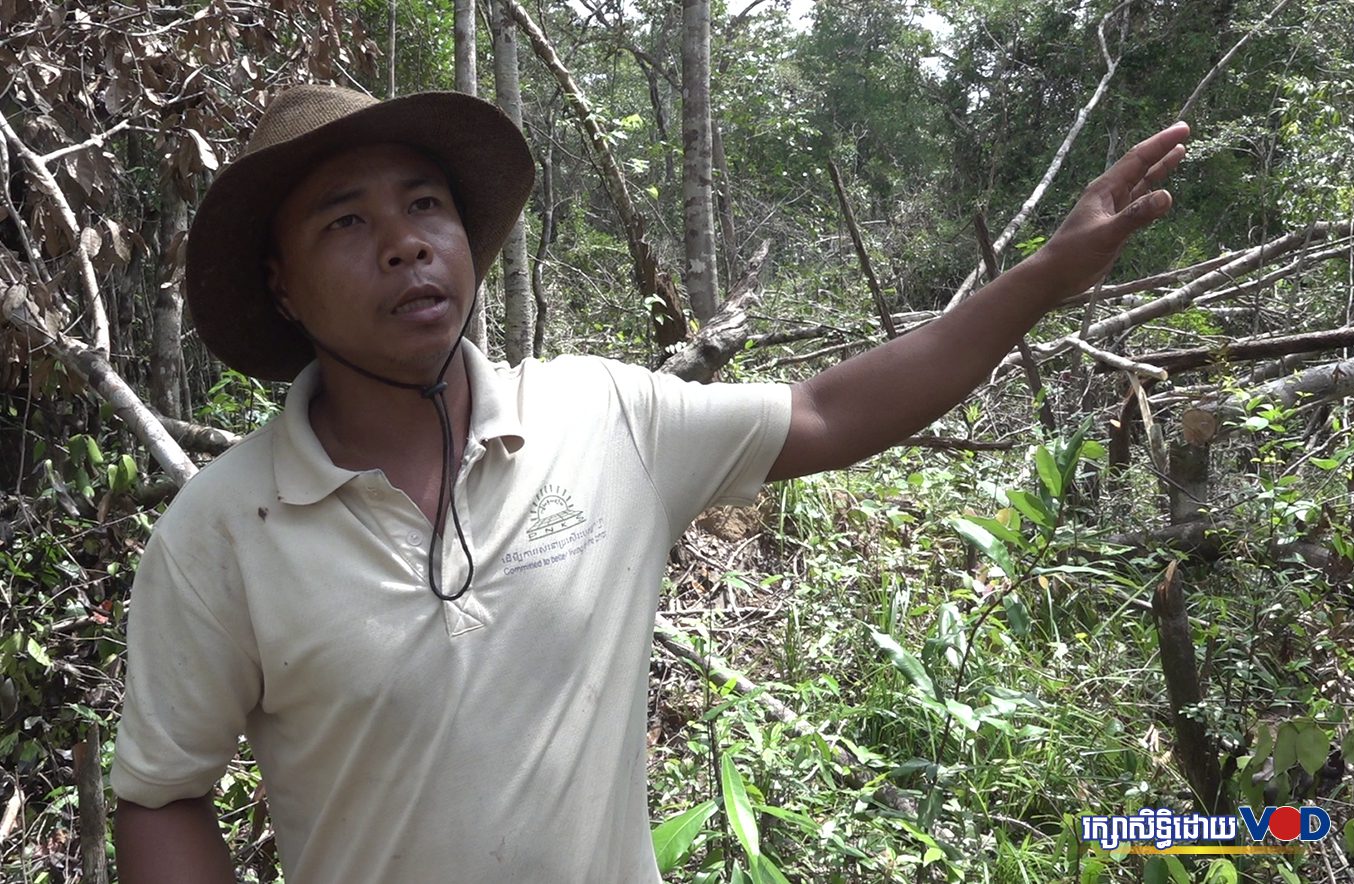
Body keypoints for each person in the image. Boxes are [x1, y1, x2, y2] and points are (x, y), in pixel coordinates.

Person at [110, 84, 1189, 883]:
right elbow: (163, 794)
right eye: (345, 221)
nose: (404, 243)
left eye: (426, 204)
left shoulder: (602, 415)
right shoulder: (222, 532)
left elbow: (828, 410)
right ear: (280, 286)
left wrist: (1043, 279)